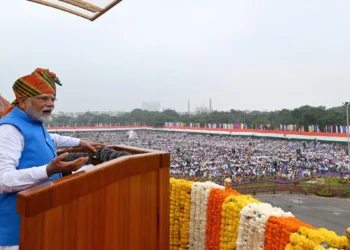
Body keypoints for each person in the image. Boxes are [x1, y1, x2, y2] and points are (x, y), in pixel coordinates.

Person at [0, 68, 101, 250]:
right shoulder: (9, 130)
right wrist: (48, 170)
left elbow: (50, 138)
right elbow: (3, 180)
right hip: (16, 233)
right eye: (43, 98)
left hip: (40, 223)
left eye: (52, 99)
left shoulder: (32, 122)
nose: (51, 104)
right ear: (22, 100)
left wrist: (80, 141)